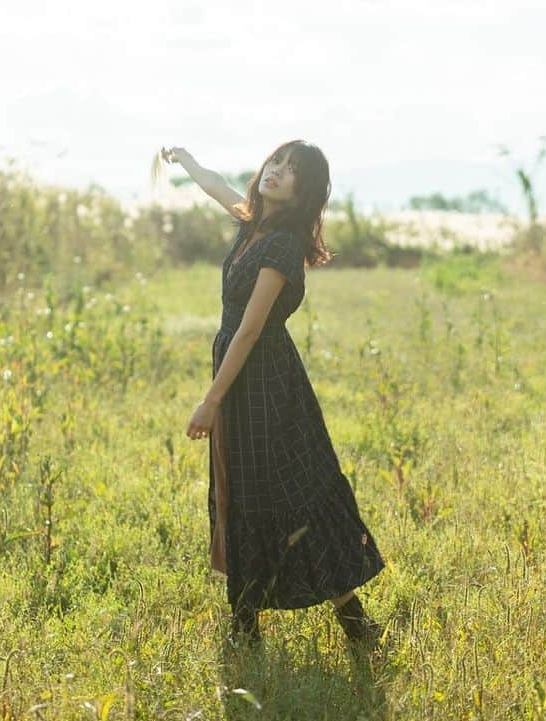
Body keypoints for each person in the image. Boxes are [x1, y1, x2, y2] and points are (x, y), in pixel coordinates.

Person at [162, 140, 385, 650]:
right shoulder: (252, 224)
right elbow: (218, 187)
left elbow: (249, 329)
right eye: (276, 162)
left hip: (265, 383)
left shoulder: (282, 244)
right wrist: (188, 159)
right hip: (240, 374)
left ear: (304, 191)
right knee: (243, 492)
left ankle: (352, 620)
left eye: (292, 171)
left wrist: (211, 400)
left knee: (287, 496)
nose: (278, 172)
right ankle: (246, 623)